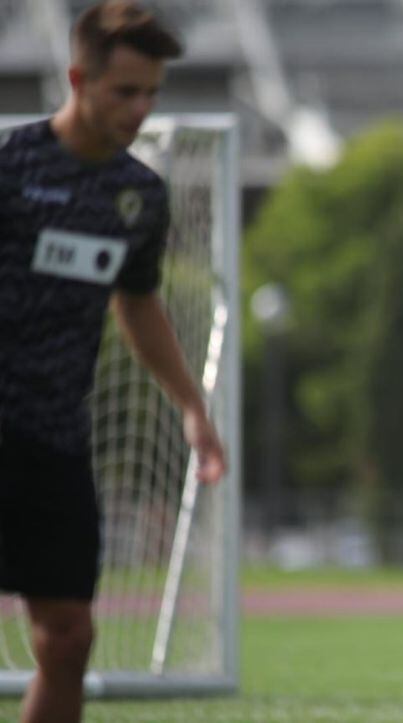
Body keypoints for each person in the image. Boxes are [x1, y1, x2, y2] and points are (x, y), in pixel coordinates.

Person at [0, 3, 226, 722]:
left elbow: (138, 304)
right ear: (77, 79)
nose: (140, 107)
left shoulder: (139, 197)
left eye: (151, 93)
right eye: (124, 91)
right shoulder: (12, 168)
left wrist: (192, 406)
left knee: (68, 637)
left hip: (55, 442)